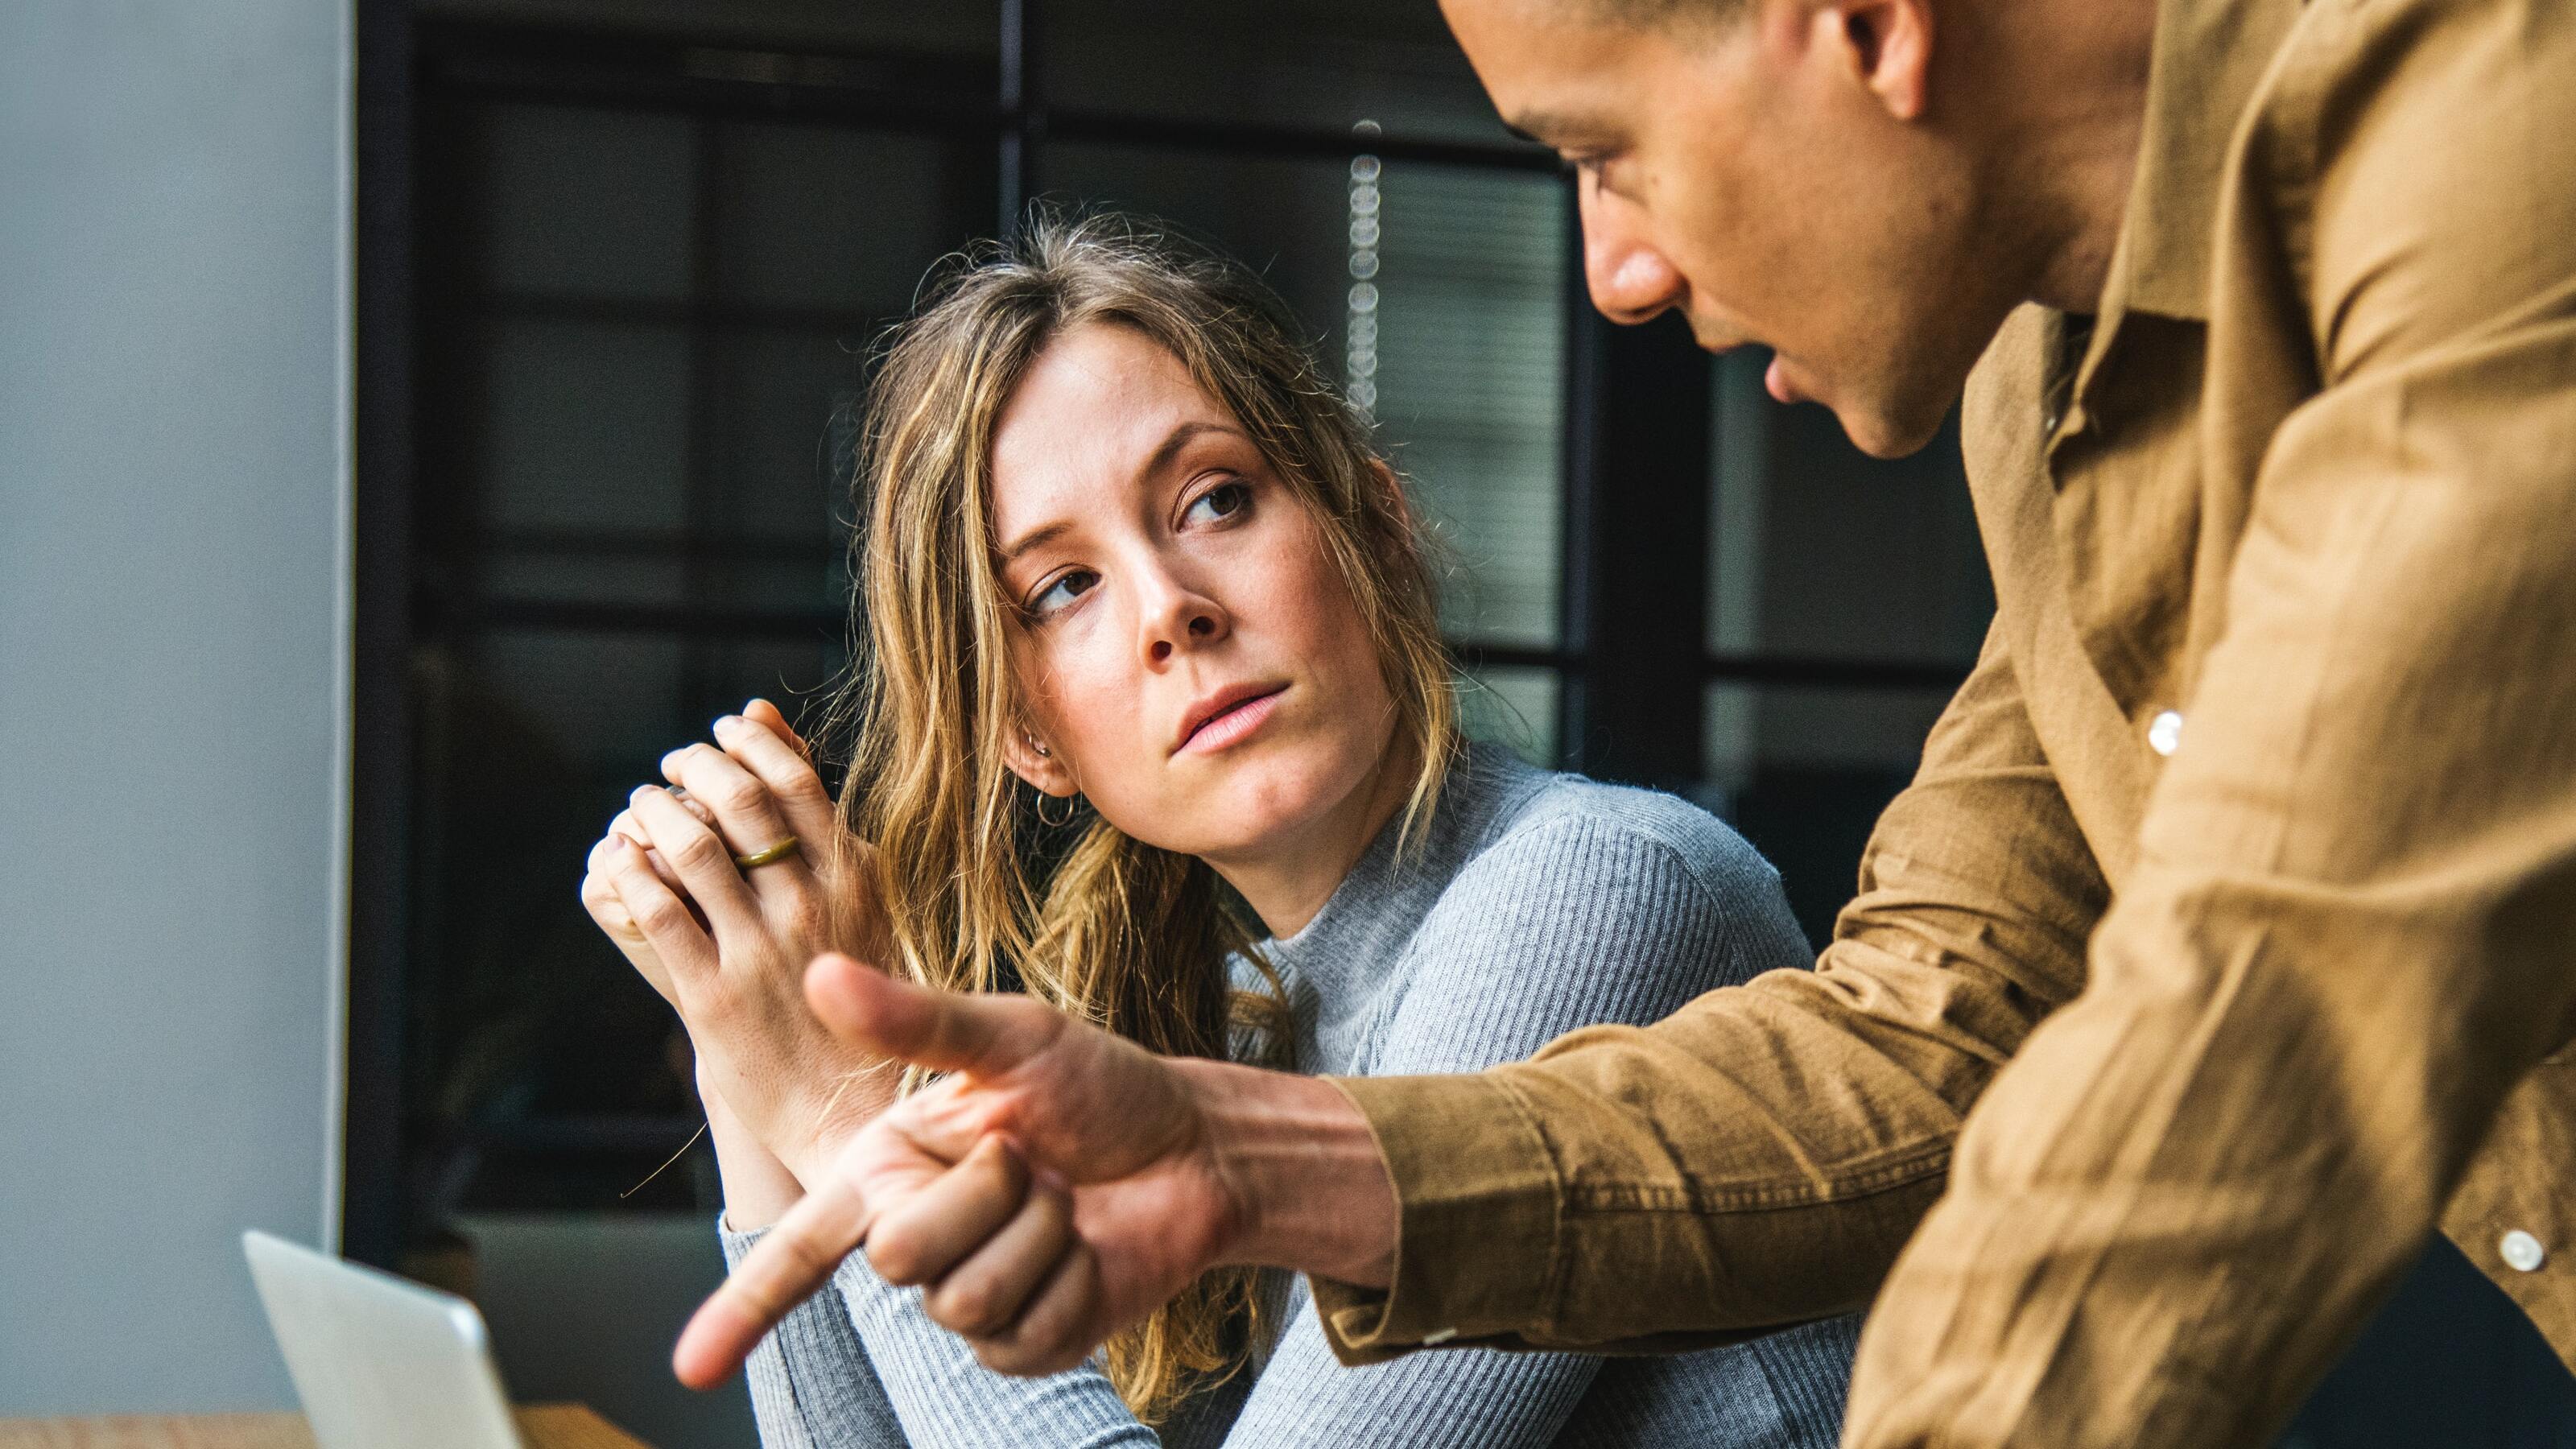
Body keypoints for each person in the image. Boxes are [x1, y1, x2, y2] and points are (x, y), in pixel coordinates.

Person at [683, 0, 2576, 1444]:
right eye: (1061, 587)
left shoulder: (2501, 158)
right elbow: (1938, 1034)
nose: (1619, 270)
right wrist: (1257, 1159)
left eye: (1606, 151)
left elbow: (2274, 1007)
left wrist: (846, 1108)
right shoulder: (2046, 385)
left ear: (1859, 22)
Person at [582, 215, 1862, 1446]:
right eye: (1065, 587)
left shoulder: (1596, 891)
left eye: (1213, 500)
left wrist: (849, 1116)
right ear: (1033, 741)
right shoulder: (1237, 1014)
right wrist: (745, 1035)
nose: (1169, 609)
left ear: (1376, 531)